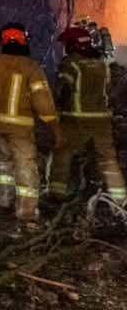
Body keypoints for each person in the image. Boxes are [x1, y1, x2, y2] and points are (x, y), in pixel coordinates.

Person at [0, 22, 58, 221]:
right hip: (20, 128)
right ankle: (26, 210)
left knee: (3, 160)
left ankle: (4, 199)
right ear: (24, 41)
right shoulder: (31, 67)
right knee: (25, 164)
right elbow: (43, 103)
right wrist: (54, 126)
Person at [49, 19, 126, 204]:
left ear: (72, 45)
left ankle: (57, 192)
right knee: (107, 158)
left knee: (63, 153)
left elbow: (62, 89)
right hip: (102, 120)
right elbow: (110, 90)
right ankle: (120, 197)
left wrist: (56, 106)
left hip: (76, 119)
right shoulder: (101, 64)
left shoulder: (71, 63)